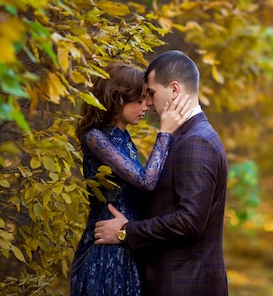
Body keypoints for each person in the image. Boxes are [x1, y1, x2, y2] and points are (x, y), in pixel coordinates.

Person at [94, 50, 229, 296]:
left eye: (152, 94)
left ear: (175, 90)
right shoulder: (185, 137)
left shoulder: (196, 142)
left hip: (186, 285)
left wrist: (126, 231)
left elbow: (189, 221)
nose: (148, 104)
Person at [70, 62, 191, 296]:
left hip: (126, 243)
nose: (146, 105)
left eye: (147, 98)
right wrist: (164, 132)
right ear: (117, 99)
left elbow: (146, 188)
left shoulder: (123, 137)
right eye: (139, 99)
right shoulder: (96, 138)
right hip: (107, 253)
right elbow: (146, 180)